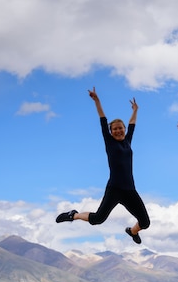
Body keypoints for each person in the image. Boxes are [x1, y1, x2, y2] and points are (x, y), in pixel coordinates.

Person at [56, 87, 150, 245]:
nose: (119, 130)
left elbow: (132, 124)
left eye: (121, 128)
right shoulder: (110, 142)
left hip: (130, 190)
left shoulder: (128, 141)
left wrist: (135, 110)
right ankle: (74, 215)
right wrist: (97, 101)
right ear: (111, 131)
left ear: (124, 130)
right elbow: (103, 119)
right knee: (98, 219)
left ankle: (131, 232)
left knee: (145, 222)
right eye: (115, 129)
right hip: (114, 188)